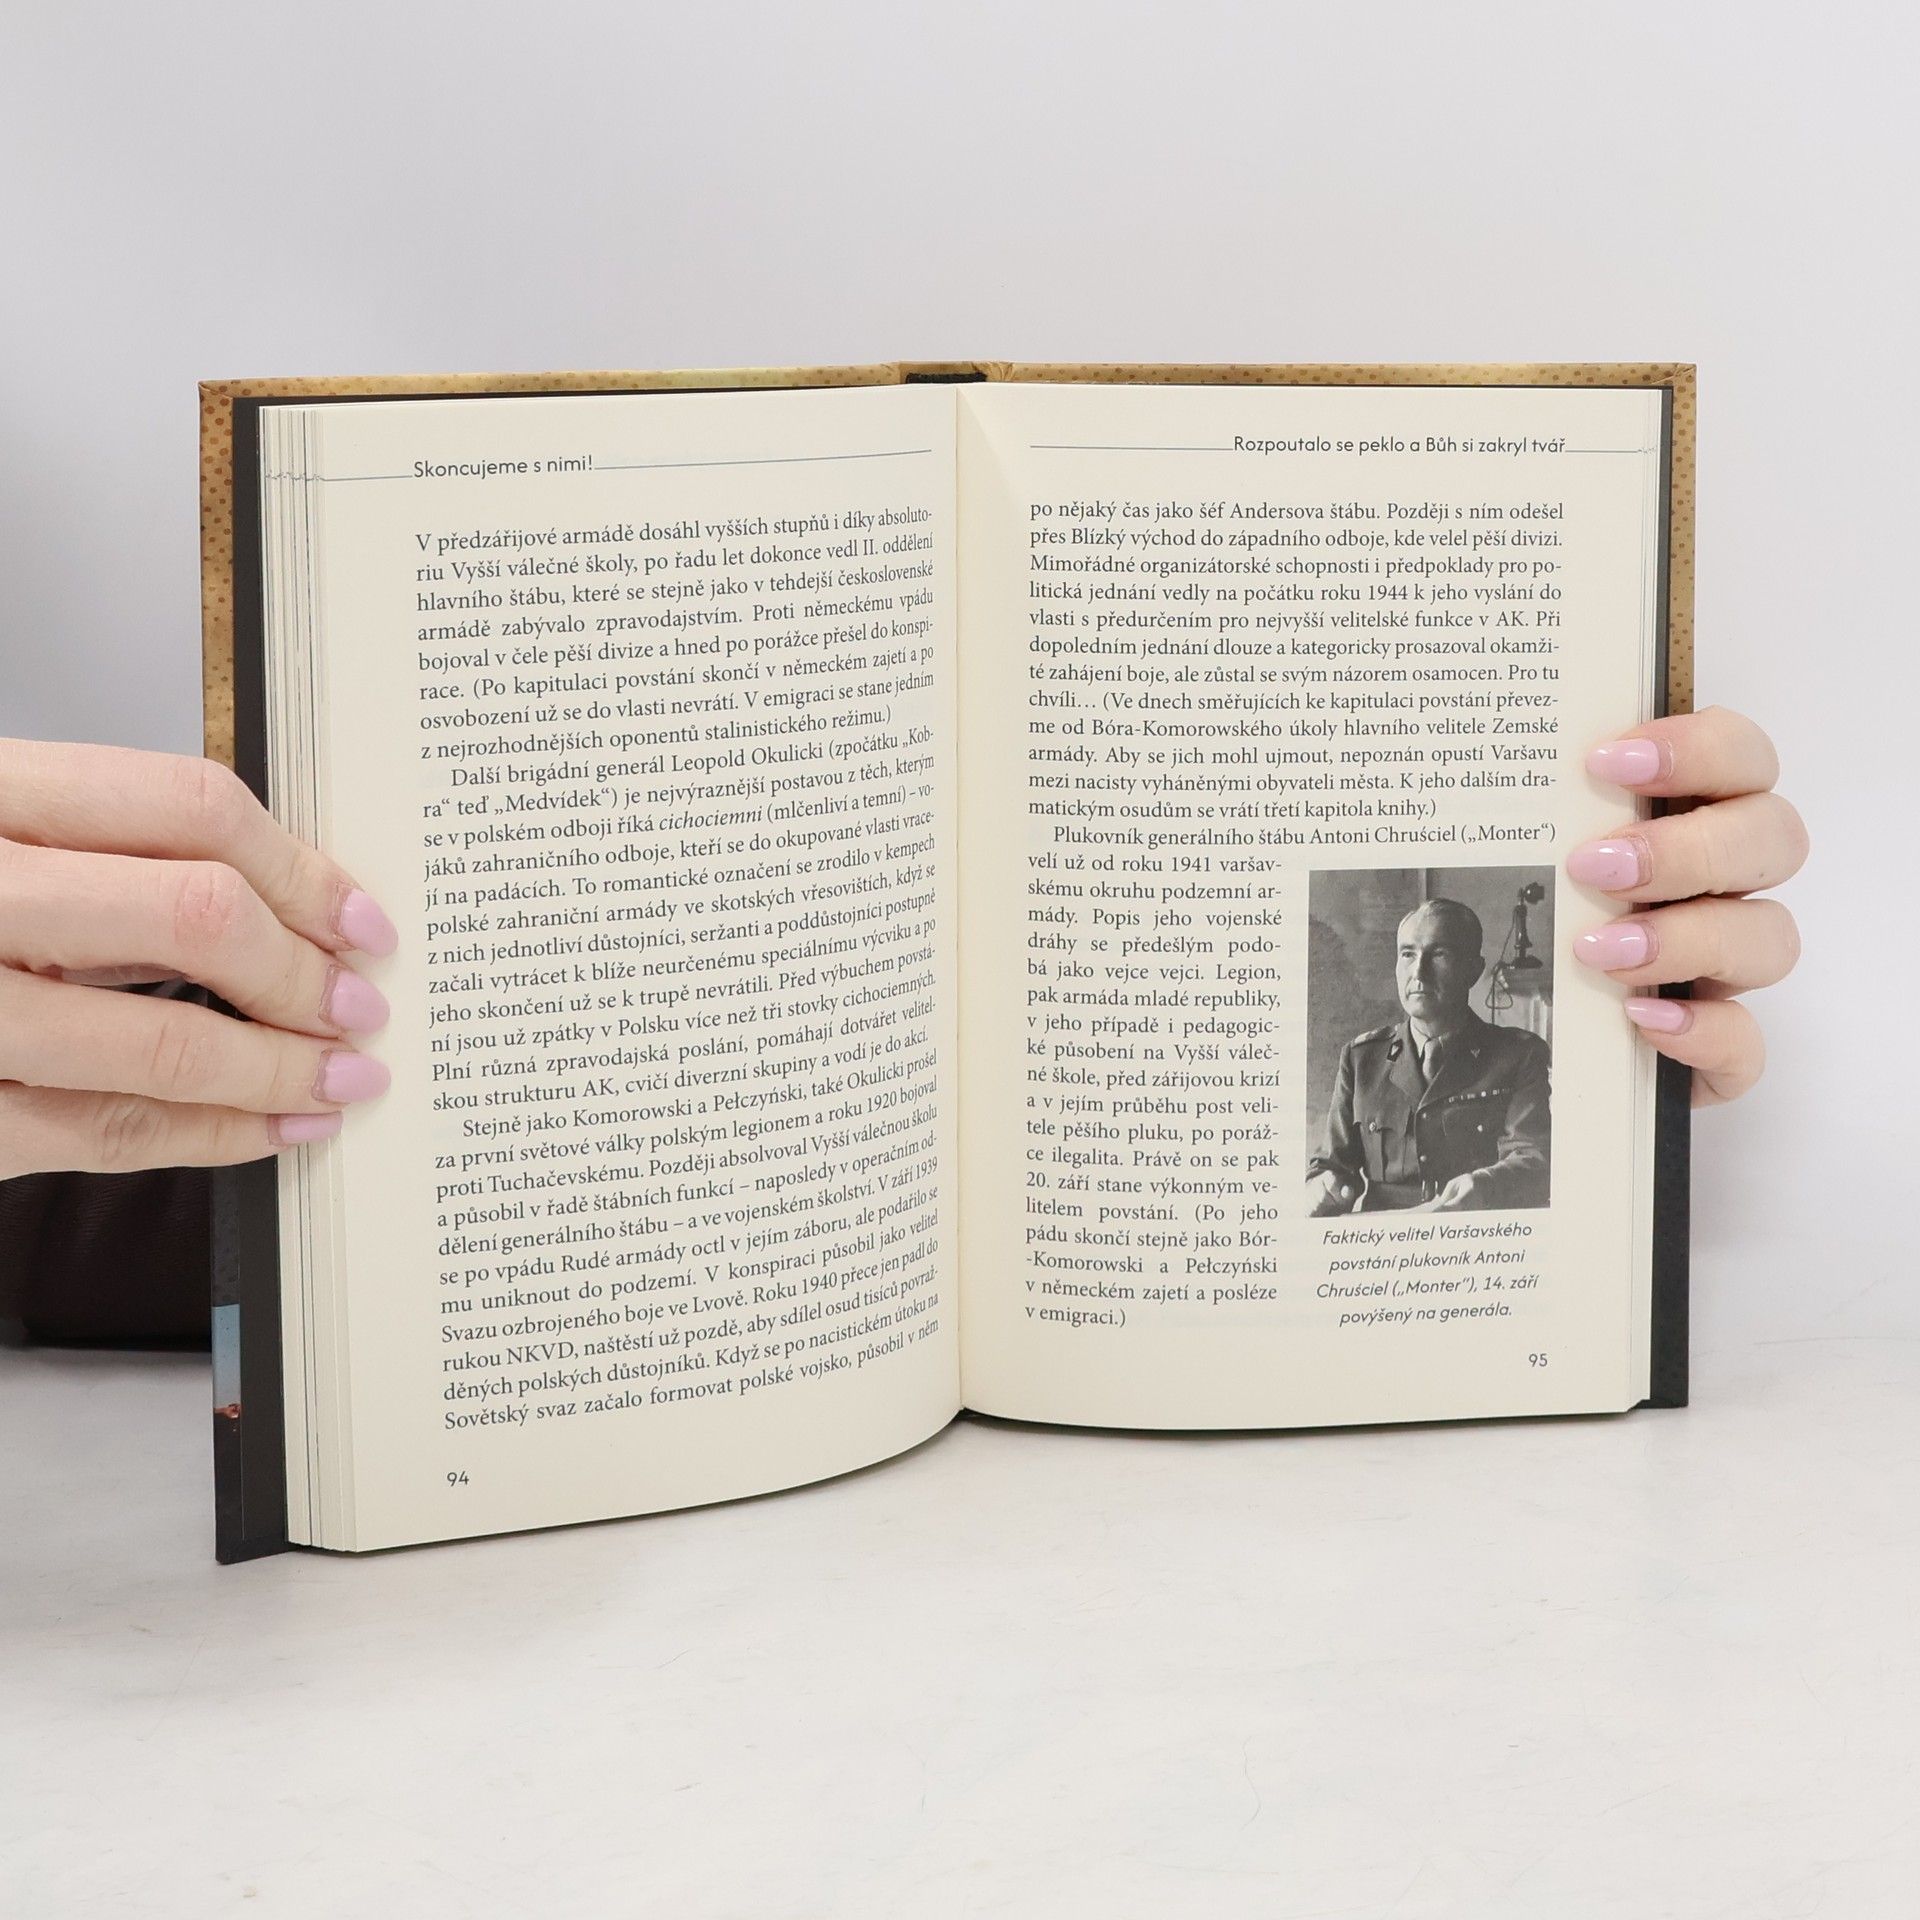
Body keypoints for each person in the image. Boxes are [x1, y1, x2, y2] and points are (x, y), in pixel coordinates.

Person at [0, 709, 1807, 1338]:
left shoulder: (1513, 1052)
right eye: (1399, 959)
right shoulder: (1348, 1066)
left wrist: (1622, 1059)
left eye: (1435, 960)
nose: (1413, 981)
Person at [1307, 897, 1552, 1215]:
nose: (1418, 972)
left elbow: (1535, 1160)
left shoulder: (1519, 1054)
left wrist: (1484, 1186)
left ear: (1473, 970)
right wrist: (1324, 1185)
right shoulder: (1361, 1059)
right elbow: (1332, 1165)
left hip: (1474, 1229)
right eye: (1407, 954)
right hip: (1382, 1234)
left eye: (1439, 954)